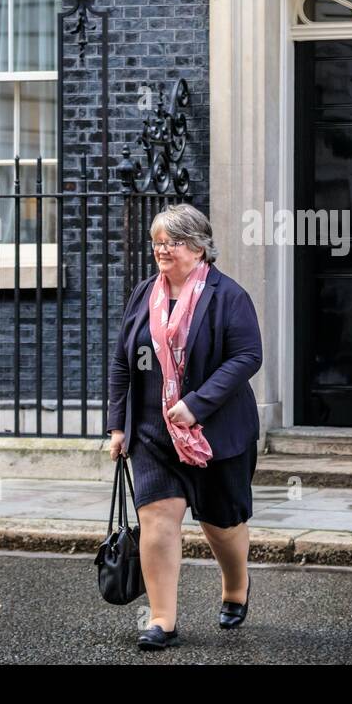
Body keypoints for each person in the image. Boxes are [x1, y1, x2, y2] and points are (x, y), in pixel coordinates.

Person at [106, 203, 263, 650]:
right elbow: (123, 361)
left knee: (222, 522)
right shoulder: (144, 295)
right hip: (154, 431)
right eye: (157, 242)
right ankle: (161, 619)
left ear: (197, 247)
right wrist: (119, 426)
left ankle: (236, 585)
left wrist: (197, 404)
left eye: (171, 242)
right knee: (157, 516)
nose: (161, 250)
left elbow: (247, 356)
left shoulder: (228, 295)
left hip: (217, 432)